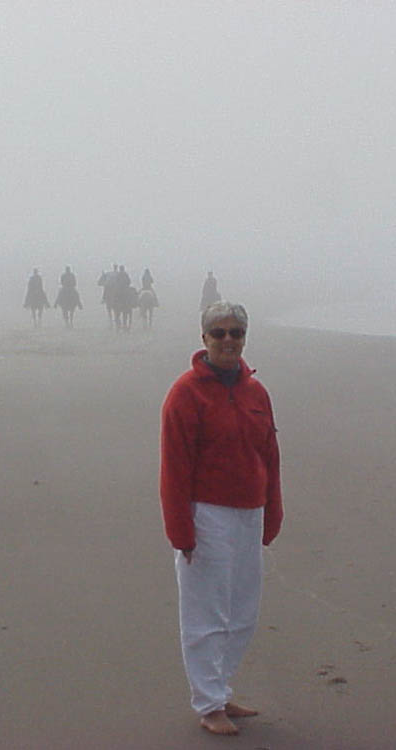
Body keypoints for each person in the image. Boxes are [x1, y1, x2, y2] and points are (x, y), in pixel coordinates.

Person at [160, 301, 283, 736]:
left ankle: (222, 688)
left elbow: (270, 456)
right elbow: (174, 468)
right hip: (207, 516)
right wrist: (181, 531)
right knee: (206, 614)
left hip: (250, 513)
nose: (228, 340)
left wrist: (272, 512)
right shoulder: (185, 394)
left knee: (242, 611)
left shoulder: (256, 393)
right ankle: (209, 703)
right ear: (205, 338)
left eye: (236, 333)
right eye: (220, 333)